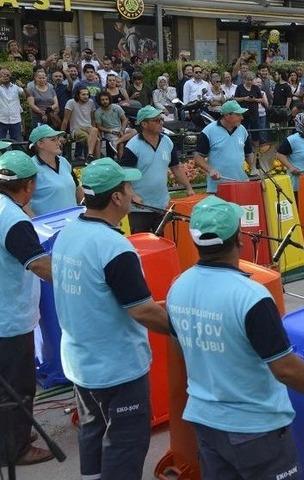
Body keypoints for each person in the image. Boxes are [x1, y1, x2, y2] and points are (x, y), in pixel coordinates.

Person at [166, 195, 304, 479]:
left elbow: (182, 350)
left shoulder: (178, 287)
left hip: (206, 422)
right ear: (239, 239)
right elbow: (284, 368)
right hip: (255, 429)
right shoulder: (250, 296)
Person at [51, 158, 170, 479]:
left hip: (81, 363)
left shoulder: (70, 232)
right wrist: (181, 327)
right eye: (128, 187)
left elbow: (99, 291)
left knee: (92, 430)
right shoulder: (114, 246)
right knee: (124, 445)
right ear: (116, 197)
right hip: (117, 368)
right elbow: (141, 311)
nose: (133, 192)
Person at [0, 150, 54, 468]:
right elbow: (39, 266)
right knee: (18, 384)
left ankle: (11, 433)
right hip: (9, 318)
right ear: (29, 186)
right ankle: (15, 447)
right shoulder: (14, 219)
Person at [120, 106, 194, 233]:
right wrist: (133, 195)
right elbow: (124, 177)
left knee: (164, 243)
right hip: (139, 207)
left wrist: (189, 188)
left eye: (161, 119)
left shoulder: (167, 141)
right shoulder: (133, 146)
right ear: (144, 124)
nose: (161, 123)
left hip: (162, 205)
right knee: (143, 246)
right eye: (156, 120)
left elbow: (176, 167)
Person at [193, 100, 254, 194]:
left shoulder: (242, 130)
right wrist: (210, 170)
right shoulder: (208, 131)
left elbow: (249, 154)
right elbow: (198, 157)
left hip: (241, 184)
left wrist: (255, 171)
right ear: (227, 115)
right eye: (238, 115)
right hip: (217, 187)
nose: (242, 118)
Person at [27, 124, 83, 217]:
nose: (59, 143)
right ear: (40, 144)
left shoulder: (64, 161)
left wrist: (84, 208)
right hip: (49, 227)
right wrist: (36, 224)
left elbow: (77, 188)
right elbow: (23, 202)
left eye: (58, 139)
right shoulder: (30, 167)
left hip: (73, 223)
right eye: (53, 140)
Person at [62, 87, 100, 161]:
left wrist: (97, 133)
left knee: (95, 132)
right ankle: (91, 158)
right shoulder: (71, 102)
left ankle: (92, 157)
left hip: (88, 127)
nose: (86, 96)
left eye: (87, 94)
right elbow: (65, 120)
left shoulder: (91, 102)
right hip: (76, 129)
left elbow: (93, 119)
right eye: (83, 94)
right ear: (78, 95)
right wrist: (62, 135)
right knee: (88, 138)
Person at [0, 68, 25, 141]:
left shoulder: (16, 86)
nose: (5, 76)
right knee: (1, 143)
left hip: (15, 119)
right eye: (2, 74)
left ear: (10, 76)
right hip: (1, 119)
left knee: (17, 143)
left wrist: (23, 86)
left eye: (7, 74)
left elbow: (25, 96)